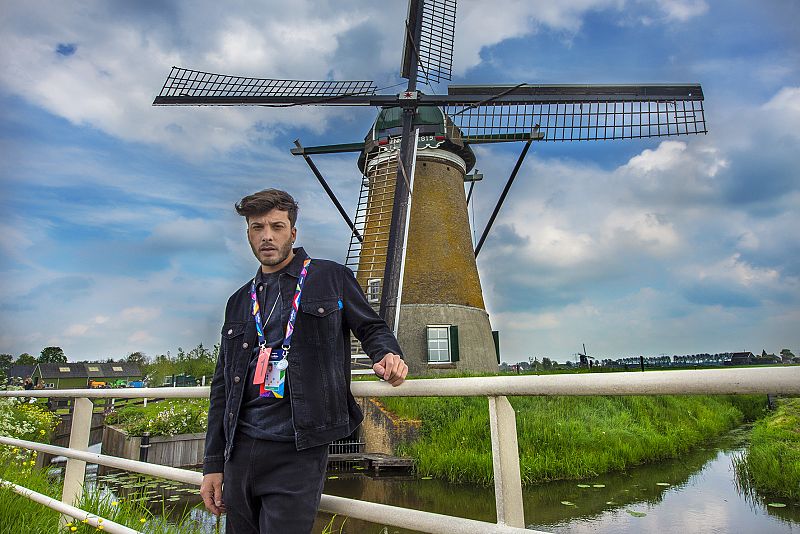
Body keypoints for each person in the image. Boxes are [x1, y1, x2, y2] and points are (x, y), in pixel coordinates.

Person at [201, 189, 407, 534]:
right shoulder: (238, 301)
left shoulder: (330, 277)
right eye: (257, 227)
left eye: (277, 226)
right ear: (248, 233)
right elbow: (221, 387)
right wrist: (213, 464)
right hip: (239, 449)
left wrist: (387, 354)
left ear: (292, 233)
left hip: (297, 447)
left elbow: (370, 326)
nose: (267, 236)